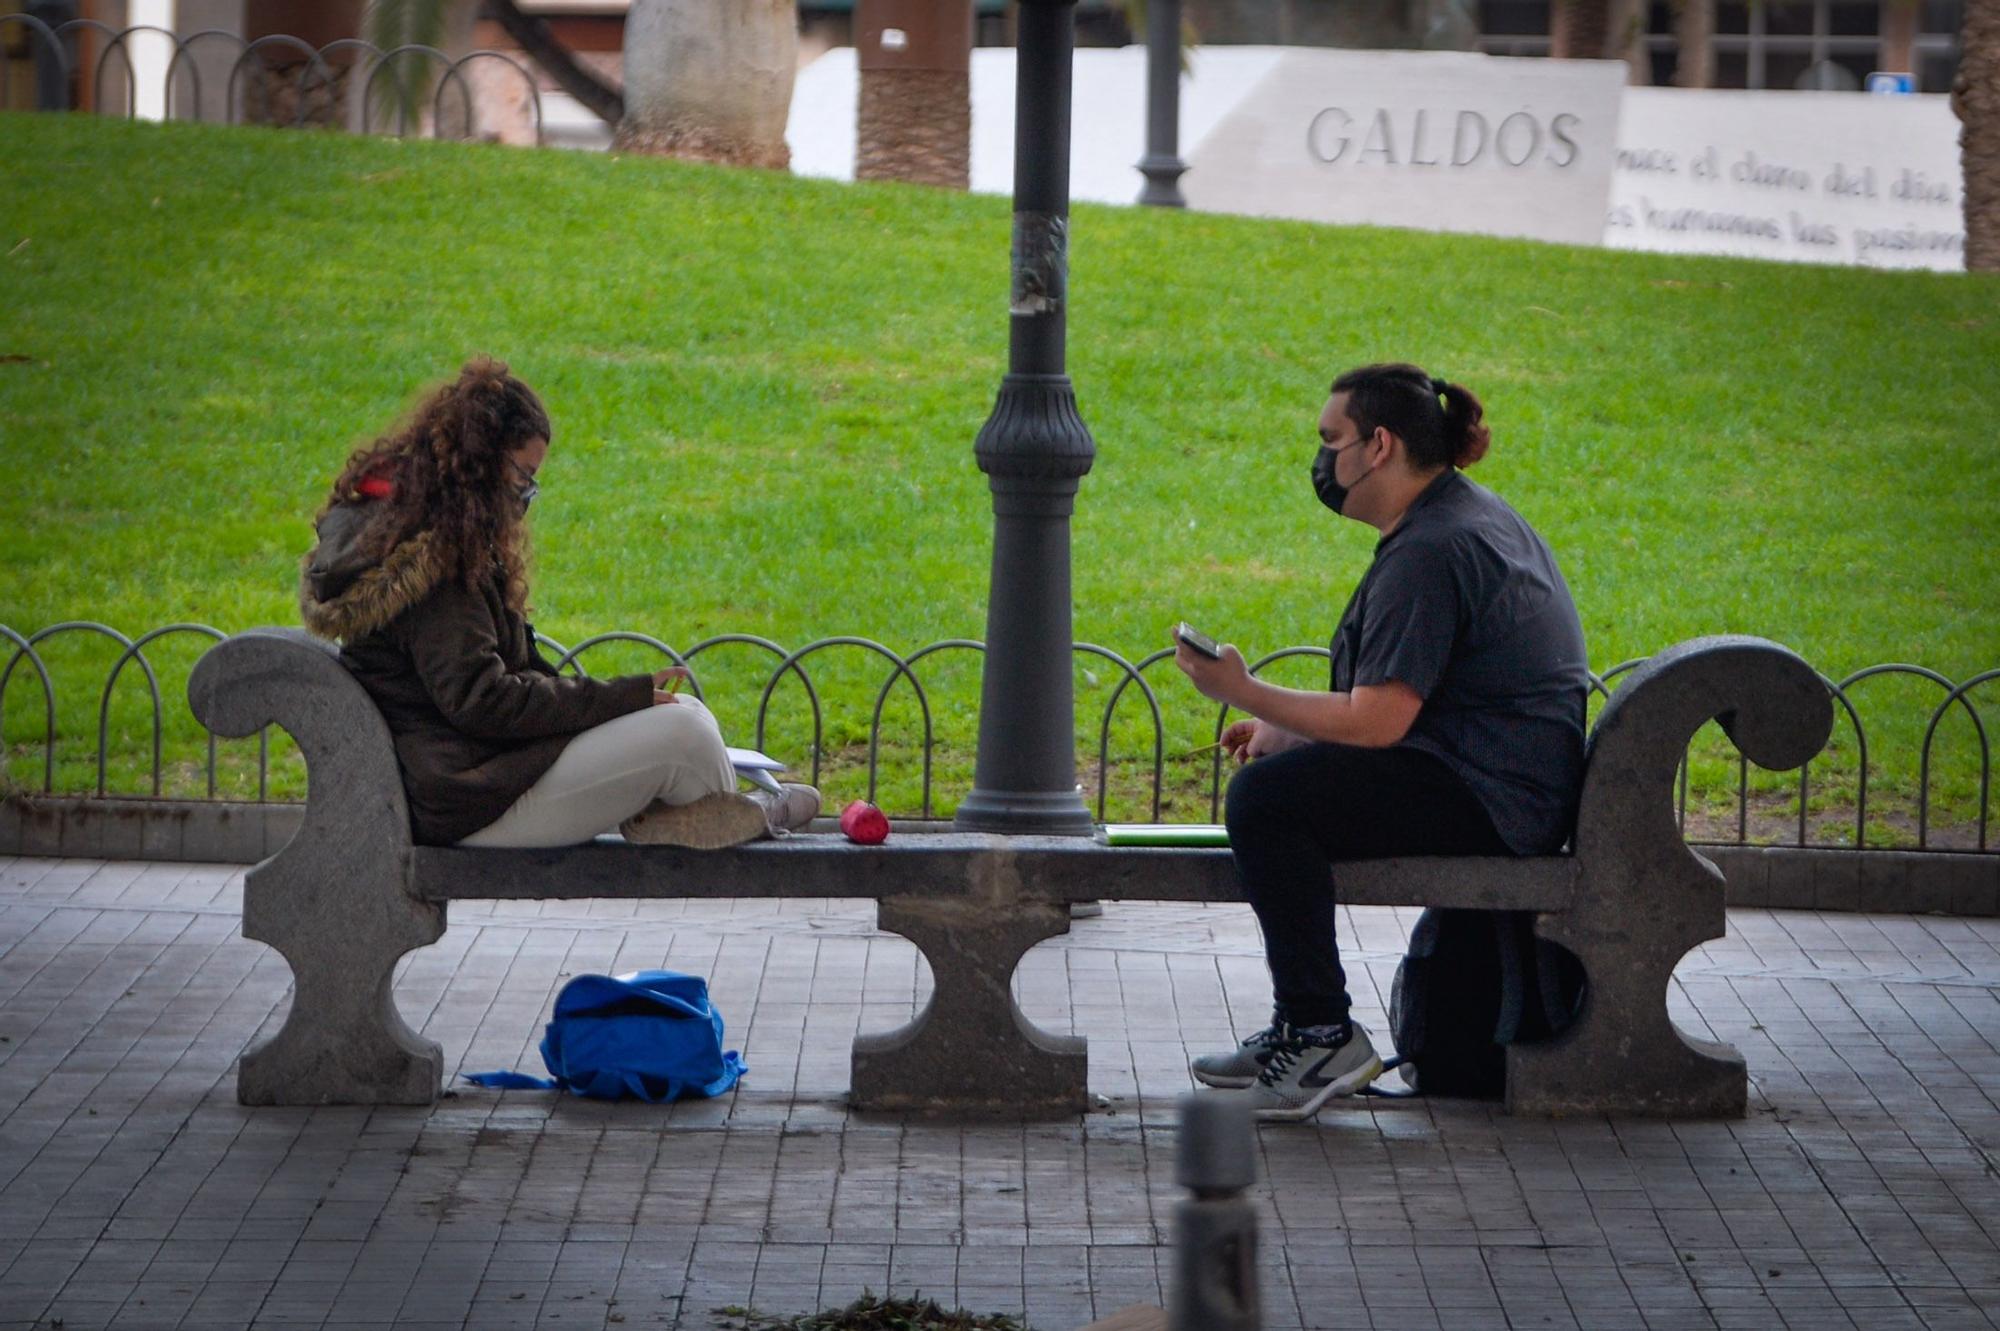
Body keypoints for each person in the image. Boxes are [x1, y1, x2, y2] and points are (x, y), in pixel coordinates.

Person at [1173, 362, 1588, 1120]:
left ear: (1380, 445)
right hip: (1499, 777)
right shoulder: (1455, 518)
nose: (1323, 459)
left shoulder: (1432, 550)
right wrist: (1288, 727)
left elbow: (1380, 722)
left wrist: (1244, 689)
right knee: (1281, 784)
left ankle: (1319, 1030)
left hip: (1492, 795)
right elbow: (1406, 700)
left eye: (1332, 439)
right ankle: (1304, 1028)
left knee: (1266, 803)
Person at [299, 357, 819, 849]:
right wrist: (619, 699)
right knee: (684, 732)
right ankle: (743, 818)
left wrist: (619, 703)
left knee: (686, 716)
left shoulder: (442, 540)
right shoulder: (432, 571)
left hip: (483, 777)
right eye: (522, 477)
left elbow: (510, 680)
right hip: (470, 800)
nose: (525, 497)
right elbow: (485, 701)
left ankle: (713, 818)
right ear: (480, 467)